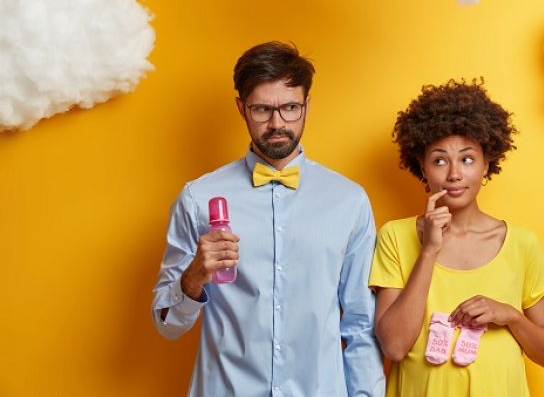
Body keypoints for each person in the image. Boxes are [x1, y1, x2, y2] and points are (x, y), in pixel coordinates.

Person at [151, 41, 385, 396]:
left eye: (290, 107)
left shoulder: (348, 201)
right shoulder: (197, 199)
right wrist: (195, 276)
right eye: (262, 109)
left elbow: (360, 324)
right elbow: (167, 324)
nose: (277, 123)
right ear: (241, 108)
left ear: (307, 106)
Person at [369, 80, 544, 396]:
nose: (454, 173)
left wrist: (510, 315)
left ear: (487, 164)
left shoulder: (521, 243)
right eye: (440, 160)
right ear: (423, 167)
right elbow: (394, 346)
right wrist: (429, 250)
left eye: (467, 159)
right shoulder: (395, 236)